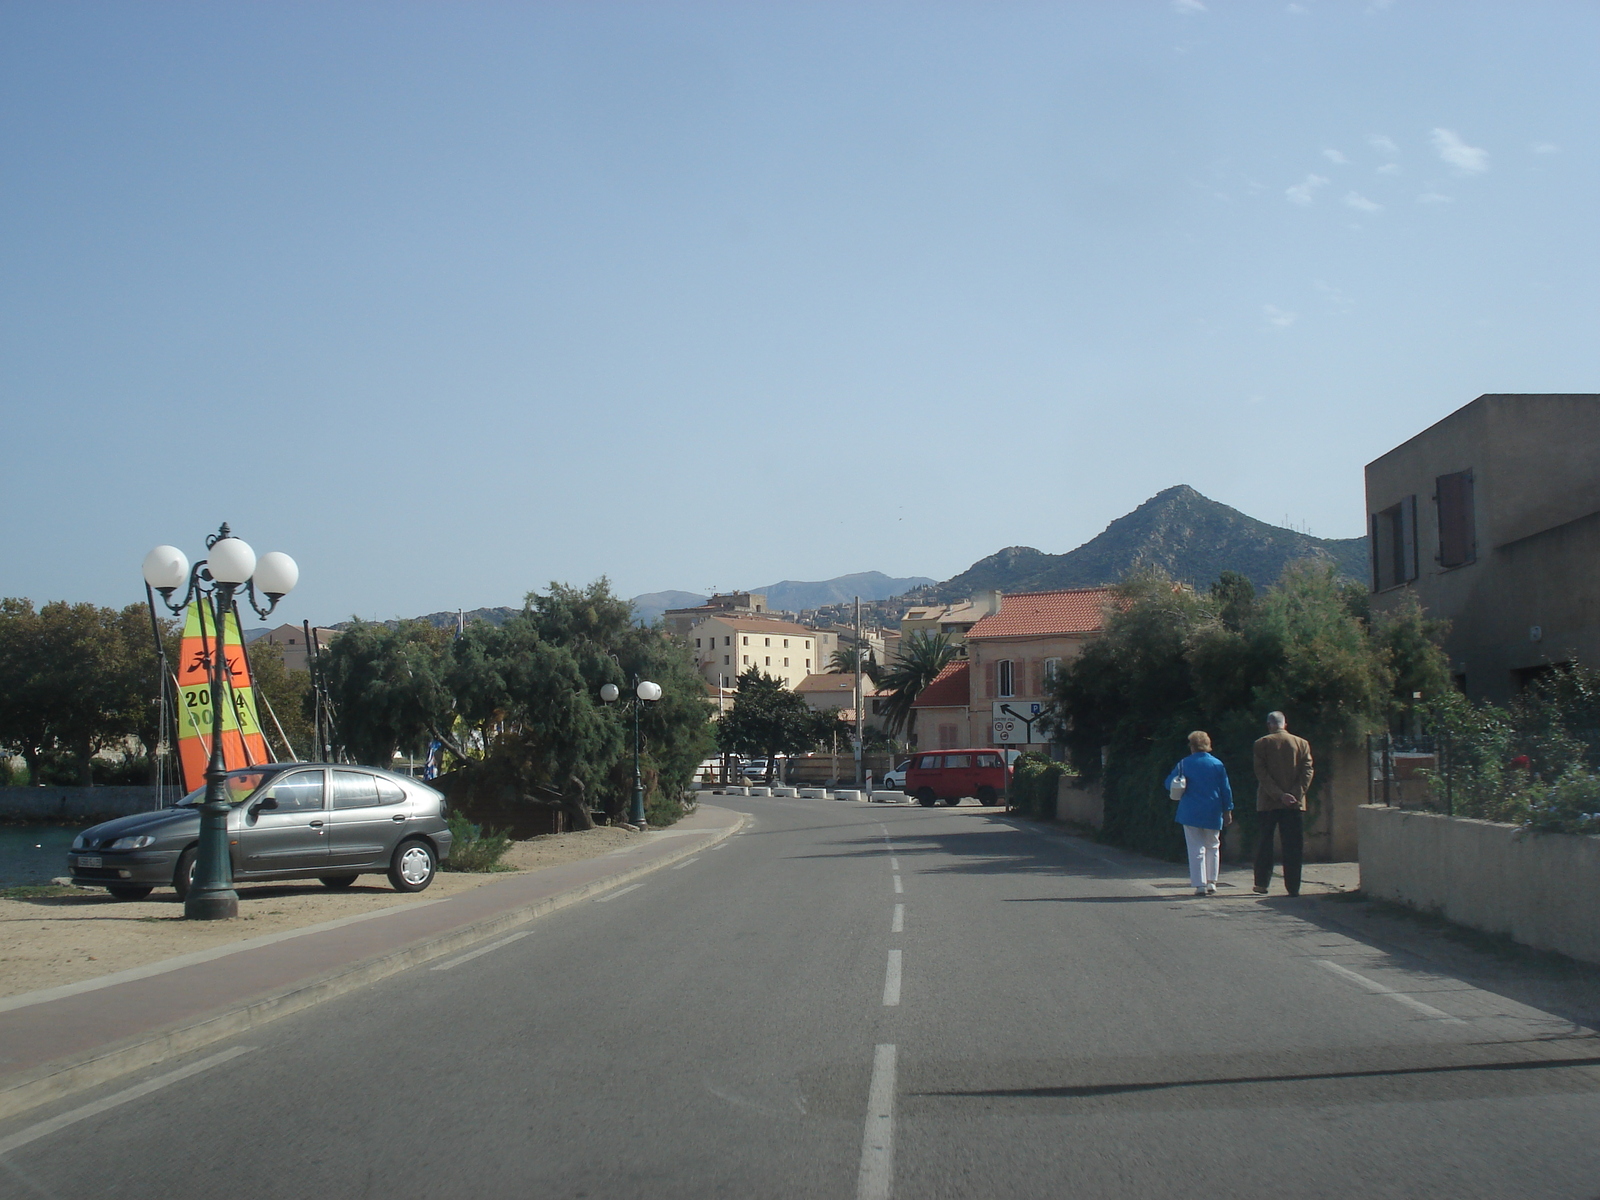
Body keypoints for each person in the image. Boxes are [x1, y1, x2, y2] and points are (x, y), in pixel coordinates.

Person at [1163, 731, 1234, 897]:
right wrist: (1228, 810)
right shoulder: (1217, 764)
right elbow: (1226, 789)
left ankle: (1199, 884)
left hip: (1190, 811)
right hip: (1213, 810)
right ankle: (1212, 882)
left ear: (1192, 745)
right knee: (1213, 846)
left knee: (1196, 848)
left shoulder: (1184, 764)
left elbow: (1168, 784)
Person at [1252, 710, 1314, 896]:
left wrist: (1279, 795)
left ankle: (1262, 883)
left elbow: (1261, 773)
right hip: (1295, 804)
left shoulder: (1261, 744)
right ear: (1285, 724)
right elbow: (1308, 771)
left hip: (1268, 802)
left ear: (1270, 724)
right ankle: (1293, 887)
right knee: (1293, 845)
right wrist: (1293, 794)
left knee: (1265, 843)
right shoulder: (1301, 743)